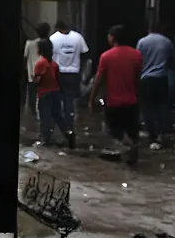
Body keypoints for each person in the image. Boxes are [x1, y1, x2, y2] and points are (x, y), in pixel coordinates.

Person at [89, 24, 142, 166]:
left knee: (114, 130)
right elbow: (137, 78)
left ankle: (129, 147)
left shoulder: (106, 56)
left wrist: (91, 99)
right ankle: (132, 156)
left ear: (112, 38)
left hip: (113, 101)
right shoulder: (136, 55)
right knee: (131, 130)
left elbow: (98, 80)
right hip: (131, 100)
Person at [50, 19, 89, 140]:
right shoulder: (78, 37)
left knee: (56, 101)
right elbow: (85, 54)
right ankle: (69, 127)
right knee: (69, 102)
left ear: (57, 28)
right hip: (73, 73)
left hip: (58, 73)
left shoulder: (53, 38)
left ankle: (56, 128)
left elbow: (49, 57)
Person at [136, 24, 174, 149]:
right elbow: (171, 61)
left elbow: (137, 60)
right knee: (162, 106)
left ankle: (152, 135)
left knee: (147, 108)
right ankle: (162, 133)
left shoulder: (142, 42)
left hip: (146, 79)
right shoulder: (167, 42)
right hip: (162, 78)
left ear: (149, 30)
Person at [34, 38, 72, 147]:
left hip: (44, 93)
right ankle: (68, 133)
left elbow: (38, 79)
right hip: (55, 92)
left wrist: (34, 82)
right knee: (57, 115)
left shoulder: (40, 63)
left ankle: (45, 139)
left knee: (44, 116)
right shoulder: (54, 64)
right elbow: (58, 79)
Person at [24, 22, 50, 116]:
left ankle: (34, 112)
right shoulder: (48, 44)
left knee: (33, 93)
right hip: (45, 71)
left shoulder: (29, 43)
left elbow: (25, 57)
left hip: (32, 72)